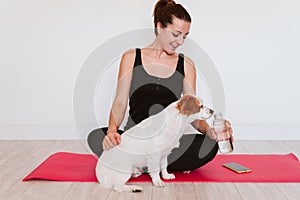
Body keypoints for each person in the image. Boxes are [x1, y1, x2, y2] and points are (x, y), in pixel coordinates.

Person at [88, 0, 233, 172]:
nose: (180, 41)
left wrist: (210, 131)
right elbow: (120, 102)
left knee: (209, 146)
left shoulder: (186, 64)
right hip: (136, 141)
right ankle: (154, 164)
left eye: (185, 36)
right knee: (97, 137)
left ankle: (139, 164)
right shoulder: (131, 57)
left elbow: (192, 111)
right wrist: (112, 131)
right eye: (176, 34)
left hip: (167, 144)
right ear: (160, 27)